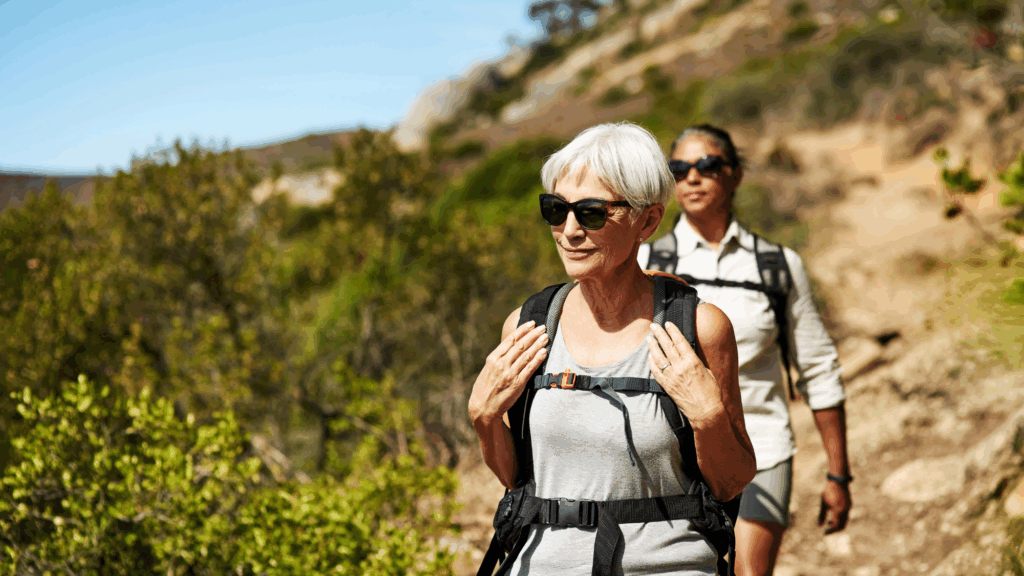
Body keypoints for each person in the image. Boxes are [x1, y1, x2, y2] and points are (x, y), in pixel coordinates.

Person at [468, 122, 757, 576]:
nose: (569, 230)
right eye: (555, 210)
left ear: (647, 220)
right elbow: (516, 481)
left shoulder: (699, 328)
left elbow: (732, 481)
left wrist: (708, 417)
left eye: (592, 213)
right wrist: (485, 421)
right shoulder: (527, 325)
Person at [637, 124, 852, 576]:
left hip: (764, 449)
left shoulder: (777, 266)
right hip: (674, 459)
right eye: (679, 169)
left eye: (707, 166)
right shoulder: (648, 264)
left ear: (734, 175)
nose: (692, 178)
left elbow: (817, 368)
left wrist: (838, 474)